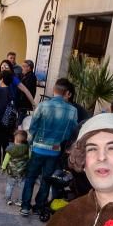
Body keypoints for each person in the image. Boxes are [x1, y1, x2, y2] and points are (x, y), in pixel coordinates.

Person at [19, 78, 78, 216]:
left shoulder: (43, 106)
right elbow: (72, 132)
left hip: (38, 148)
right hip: (55, 150)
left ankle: (25, 207)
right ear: (67, 93)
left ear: (54, 90)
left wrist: (30, 143)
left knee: (31, 178)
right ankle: (39, 206)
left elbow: (32, 128)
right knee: (46, 179)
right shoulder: (72, 110)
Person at [2, 129, 29, 206]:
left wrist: (3, 167)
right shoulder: (27, 148)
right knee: (22, 187)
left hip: (12, 172)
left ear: (15, 139)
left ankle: (8, 199)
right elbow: (29, 157)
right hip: (22, 172)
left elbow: (6, 159)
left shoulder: (11, 148)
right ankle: (20, 201)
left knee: (10, 185)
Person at [17, 60, 37, 125]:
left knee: (19, 122)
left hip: (24, 103)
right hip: (20, 102)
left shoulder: (31, 77)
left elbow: (26, 89)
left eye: (23, 66)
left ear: (29, 68)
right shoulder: (23, 75)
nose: (22, 68)